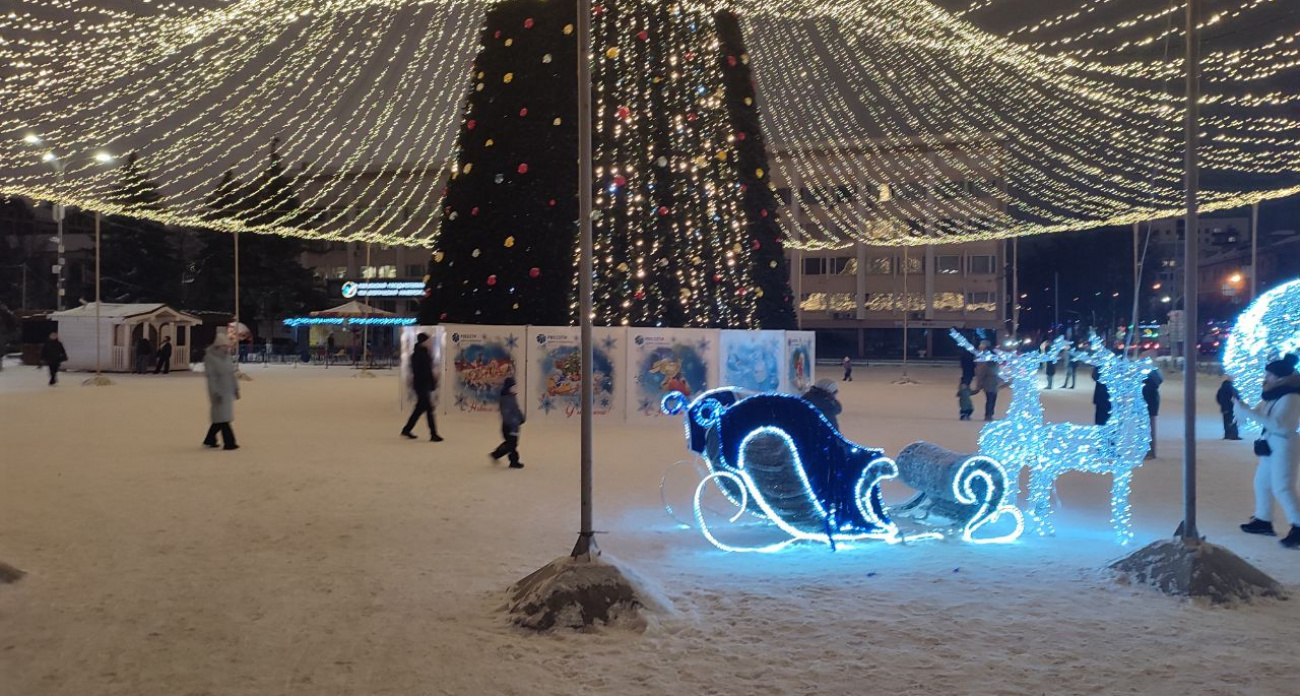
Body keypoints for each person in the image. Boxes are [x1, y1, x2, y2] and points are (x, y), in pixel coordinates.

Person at [1234, 354, 1300, 548]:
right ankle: (1263, 520)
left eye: (1270, 375)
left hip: (1284, 445)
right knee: (1262, 483)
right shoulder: (1274, 395)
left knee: (1283, 487)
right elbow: (1259, 414)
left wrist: (1248, 412)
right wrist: (1242, 409)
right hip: (1271, 444)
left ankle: (1298, 527)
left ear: (1280, 378)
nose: (1266, 378)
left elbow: (1280, 425)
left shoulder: (1291, 397)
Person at [401, 332, 443, 442]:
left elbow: (426, 371)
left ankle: (407, 429)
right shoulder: (419, 355)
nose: (430, 343)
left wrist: (431, 383)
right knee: (428, 409)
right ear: (423, 342)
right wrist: (428, 383)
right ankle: (433, 434)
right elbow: (422, 372)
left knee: (419, 409)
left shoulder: (423, 354)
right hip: (421, 386)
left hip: (423, 385)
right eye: (428, 341)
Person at [202, 333, 240, 451]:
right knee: (223, 418)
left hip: (227, 390)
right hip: (218, 391)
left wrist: (236, 388)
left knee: (220, 418)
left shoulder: (227, 357)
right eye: (225, 346)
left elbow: (231, 374)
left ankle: (210, 439)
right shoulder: (210, 358)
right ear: (218, 346)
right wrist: (215, 392)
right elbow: (211, 378)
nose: (227, 348)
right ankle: (229, 443)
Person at [490, 376, 525, 469]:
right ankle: (514, 461)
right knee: (512, 444)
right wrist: (511, 422)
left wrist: (521, 417)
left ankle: (496, 454)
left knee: (511, 444)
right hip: (508, 426)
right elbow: (506, 413)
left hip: (514, 425)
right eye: (513, 387)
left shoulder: (512, 397)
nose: (514, 388)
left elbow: (516, 409)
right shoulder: (505, 398)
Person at [972, 341, 1002, 421]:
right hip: (989, 383)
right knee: (991, 399)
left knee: (992, 399)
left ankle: (989, 414)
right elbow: (981, 374)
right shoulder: (988, 364)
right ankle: (989, 414)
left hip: (992, 383)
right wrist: (979, 384)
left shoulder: (992, 364)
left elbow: (981, 374)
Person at [1142, 368, 1163, 459]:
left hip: (1148, 403)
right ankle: (1150, 452)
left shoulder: (1149, 372)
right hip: (1150, 403)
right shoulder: (1154, 371)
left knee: (1148, 428)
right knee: (1148, 428)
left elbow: (1153, 384)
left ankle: (1150, 452)